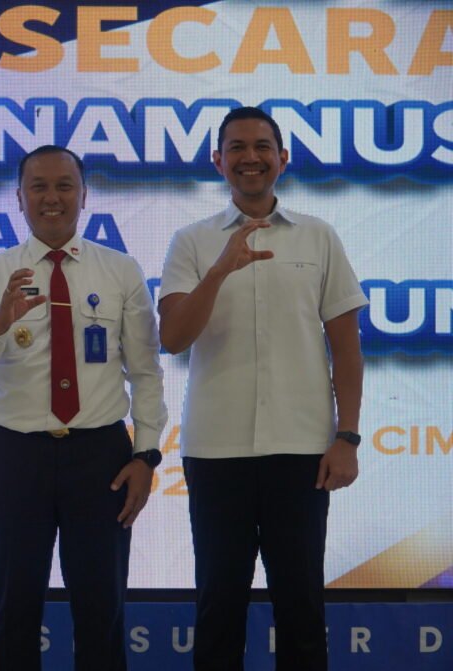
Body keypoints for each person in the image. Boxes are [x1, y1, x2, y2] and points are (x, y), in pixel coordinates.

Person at [158, 106, 367, 671]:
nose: (250, 157)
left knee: (301, 608)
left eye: (261, 146)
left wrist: (347, 436)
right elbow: (173, 338)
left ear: (282, 158)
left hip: (302, 452)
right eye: (237, 147)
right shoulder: (191, 241)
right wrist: (220, 269)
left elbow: (346, 349)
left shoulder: (319, 237)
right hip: (216, 452)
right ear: (217, 161)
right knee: (218, 606)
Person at [0, 145, 167, 670]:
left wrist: (146, 456)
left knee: (102, 608)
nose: (52, 198)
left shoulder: (120, 270)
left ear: (83, 195)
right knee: (13, 607)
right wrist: (0, 321)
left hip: (100, 457)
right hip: (16, 454)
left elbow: (145, 372)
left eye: (64, 186)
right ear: (19, 198)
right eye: (39, 187)